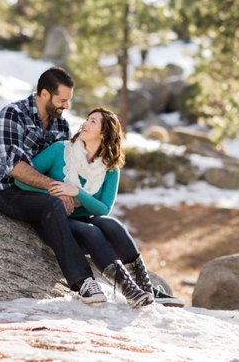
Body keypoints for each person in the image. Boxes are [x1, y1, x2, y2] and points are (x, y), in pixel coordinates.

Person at [14, 107, 185, 308]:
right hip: (55, 219)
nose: (85, 123)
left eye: (93, 121)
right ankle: (129, 290)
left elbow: (103, 209)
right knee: (93, 231)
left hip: (81, 219)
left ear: (104, 133)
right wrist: (57, 193)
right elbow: (22, 180)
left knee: (113, 225)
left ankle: (146, 289)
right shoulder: (61, 150)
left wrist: (76, 192)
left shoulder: (110, 166)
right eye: (87, 119)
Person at [0, 67, 110, 305]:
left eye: (68, 100)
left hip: (47, 197)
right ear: (45, 94)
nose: (66, 106)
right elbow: (15, 167)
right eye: (62, 100)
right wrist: (54, 188)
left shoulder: (61, 125)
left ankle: (134, 284)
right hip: (10, 193)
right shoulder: (13, 114)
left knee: (101, 225)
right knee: (54, 205)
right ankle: (82, 280)